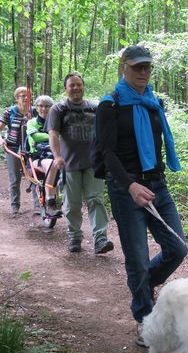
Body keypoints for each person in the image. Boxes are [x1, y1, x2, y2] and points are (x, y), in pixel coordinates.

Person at [95, 45, 187, 347]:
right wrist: (131, 186)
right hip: (126, 189)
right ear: (124, 68)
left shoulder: (153, 104)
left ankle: (143, 287)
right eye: (137, 67)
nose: (144, 72)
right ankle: (145, 319)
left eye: (147, 67)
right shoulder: (111, 105)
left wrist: (151, 182)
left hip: (157, 185)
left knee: (178, 248)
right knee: (137, 257)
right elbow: (106, 153)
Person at [47, 73, 114, 254]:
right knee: (72, 204)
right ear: (66, 88)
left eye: (78, 85)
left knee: (96, 200)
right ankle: (75, 237)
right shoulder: (58, 109)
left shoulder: (95, 107)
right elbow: (53, 133)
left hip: (94, 163)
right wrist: (57, 156)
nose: (76, 88)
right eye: (72, 85)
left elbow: (105, 132)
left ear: (83, 86)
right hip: (69, 164)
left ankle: (100, 239)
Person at [0, 86, 38, 215]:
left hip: (31, 149)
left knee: (34, 176)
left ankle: (38, 206)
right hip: (13, 149)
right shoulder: (9, 112)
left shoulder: (35, 112)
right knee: (15, 179)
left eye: (28, 95)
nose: (26, 98)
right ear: (17, 98)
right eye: (23, 96)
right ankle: (15, 206)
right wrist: (1, 141)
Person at [25, 95, 61, 217]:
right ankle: (50, 201)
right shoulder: (32, 122)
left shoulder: (57, 121)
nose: (43, 109)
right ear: (36, 107)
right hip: (38, 158)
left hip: (59, 154)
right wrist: (55, 136)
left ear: (52, 108)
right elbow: (35, 136)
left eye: (47, 106)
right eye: (40, 105)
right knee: (53, 163)